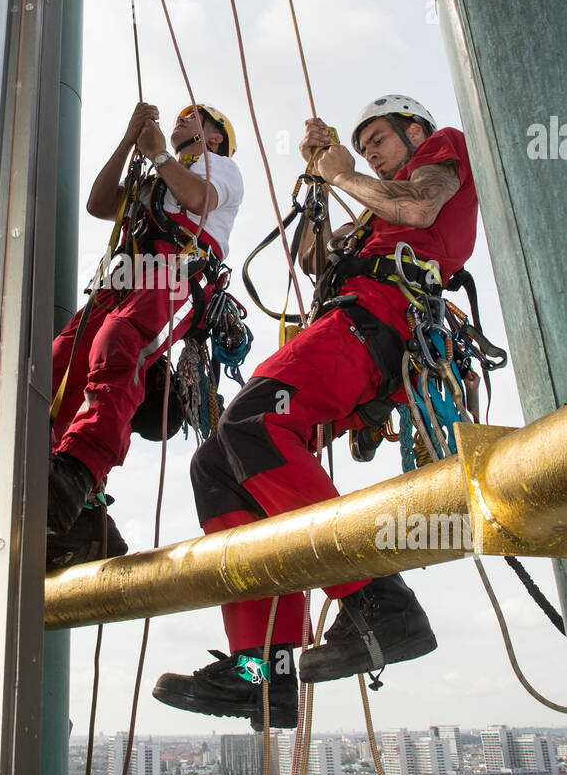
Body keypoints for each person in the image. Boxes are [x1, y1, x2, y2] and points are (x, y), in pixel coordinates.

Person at [153, 95, 478, 732]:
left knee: (251, 425)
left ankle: (379, 602)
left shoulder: (443, 152)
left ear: (416, 132)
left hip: (379, 318)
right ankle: (261, 675)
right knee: (216, 464)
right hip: (345, 318)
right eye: (367, 145)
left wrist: (340, 171)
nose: (374, 151)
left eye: (381, 138)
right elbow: (312, 260)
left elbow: (418, 203)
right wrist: (319, 176)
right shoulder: (372, 219)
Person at [47, 102, 244, 564]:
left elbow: (198, 200)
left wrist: (158, 153)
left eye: (197, 116)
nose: (182, 118)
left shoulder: (223, 167)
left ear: (215, 137)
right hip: (123, 280)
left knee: (118, 341)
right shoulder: (153, 181)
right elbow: (99, 204)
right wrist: (130, 139)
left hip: (177, 277)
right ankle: (73, 504)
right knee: (61, 360)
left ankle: (80, 466)